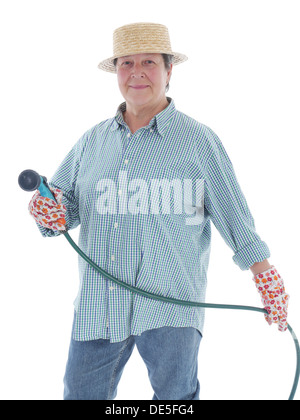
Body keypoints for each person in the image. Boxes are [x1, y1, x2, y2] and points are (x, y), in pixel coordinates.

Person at [28, 22, 290, 400]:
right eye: (126, 63)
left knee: (175, 399)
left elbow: (233, 212)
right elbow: (62, 207)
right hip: (100, 303)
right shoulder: (91, 141)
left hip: (172, 302)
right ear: (116, 71)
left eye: (148, 62)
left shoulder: (198, 140)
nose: (136, 72)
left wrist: (265, 275)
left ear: (169, 71)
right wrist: (47, 211)